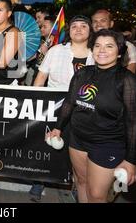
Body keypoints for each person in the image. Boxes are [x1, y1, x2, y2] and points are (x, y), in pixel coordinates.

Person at [47, 29, 136, 203]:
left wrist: (131, 160)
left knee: (97, 195)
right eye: (98, 45)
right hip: (77, 139)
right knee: (81, 183)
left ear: (119, 52)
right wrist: (58, 127)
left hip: (108, 143)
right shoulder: (82, 73)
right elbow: (69, 102)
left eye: (109, 46)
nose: (102, 50)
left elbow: (134, 124)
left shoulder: (128, 81)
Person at [30, 15, 94, 200]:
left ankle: (76, 183)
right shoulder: (56, 51)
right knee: (47, 146)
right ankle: (39, 181)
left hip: (84, 111)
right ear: (69, 30)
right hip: (55, 107)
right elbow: (40, 78)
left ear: (90, 31)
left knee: (79, 151)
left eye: (84, 26)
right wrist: (36, 101)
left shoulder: (97, 55)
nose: (79, 29)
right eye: (74, 26)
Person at [91, 9, 136, 74]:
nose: (98, 24)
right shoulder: (87, 44)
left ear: (111, 24)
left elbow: (130, 75)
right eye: (95, 21)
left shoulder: (127, 46)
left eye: (103, 20)